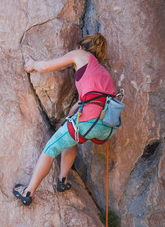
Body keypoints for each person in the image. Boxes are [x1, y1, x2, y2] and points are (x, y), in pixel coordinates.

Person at [13, 33, 117, 206]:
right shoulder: (102, 72)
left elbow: (47, 66)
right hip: (106, 126)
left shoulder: (80, 55)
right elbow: (81, 102)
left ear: (82, 47)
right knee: (71, 139)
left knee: (51, 147)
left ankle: (27, 191)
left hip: (89, 120)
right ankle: (63, 180)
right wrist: (67, 120)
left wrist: (33, 65)